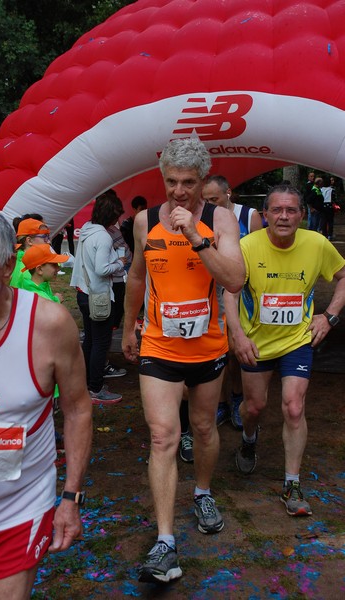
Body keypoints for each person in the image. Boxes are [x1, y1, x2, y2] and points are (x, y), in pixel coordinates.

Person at [0, 203, 92, 599]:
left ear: (8, 265)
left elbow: (78, 408)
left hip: (15, 516)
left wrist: (71, 498)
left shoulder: (49, 324)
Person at [122, 138, 245, 583]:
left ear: (202, 180)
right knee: (162, 437)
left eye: (189, 183)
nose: (179, 191)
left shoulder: (221, 219)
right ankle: (166, 540)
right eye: (171, 181)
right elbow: (138, 274)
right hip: (159, 346)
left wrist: (196, 237)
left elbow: (235, 280)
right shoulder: (144, 222)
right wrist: (127, 326)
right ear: (163, 178)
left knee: (206, 428)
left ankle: (203, 491)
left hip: (208, 348)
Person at [224, 184, 345, 518]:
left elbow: (343, 276)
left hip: (297, 341)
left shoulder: (316, 244)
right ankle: (249, 439)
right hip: (256, 342)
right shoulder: (247, 246)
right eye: (277, 210)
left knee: (294, 408)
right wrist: (236, 335)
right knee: (254, 407)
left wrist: (330, 317)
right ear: (265, 215)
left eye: (291, 210)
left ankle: (292, 483)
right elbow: (230, 293)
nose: (284, 216)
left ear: (302, 216)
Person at [202, 175, 262, 429]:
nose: (208, 204)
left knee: (237, 353)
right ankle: (220, 404)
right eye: (205, 200)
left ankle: (237, 399)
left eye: (213, 199)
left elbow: (262, 252)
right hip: (211, 295)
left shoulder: (248, 215)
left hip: (242, 295)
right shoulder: (202, 216)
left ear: (228, 193)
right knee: (218, 352)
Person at [71, 194, 128, 404]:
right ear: (110, 216)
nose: (116, 221)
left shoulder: (87, 229)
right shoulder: (103, 237)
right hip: (99, 296)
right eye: (115, 217)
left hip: (83, 292)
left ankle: (85, 382)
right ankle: (95, 388)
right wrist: (120, 262)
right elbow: (102, 268)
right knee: (100, 343)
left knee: (90, 340)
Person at [10, 218, 51, 288]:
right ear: (29, 241)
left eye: (48, 237)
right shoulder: (28, 271)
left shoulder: (26, 263)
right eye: (45, 237)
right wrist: (55, 299)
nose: (49, 242)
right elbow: (37, 298)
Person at [320, 176, 337, 240]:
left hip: (323, 206)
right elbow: (334, 198)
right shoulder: (332, 189)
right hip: (330, 206)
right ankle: (330, 234)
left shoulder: (321, 189)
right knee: (330, 221)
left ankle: (324, 234)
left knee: (323, 221)